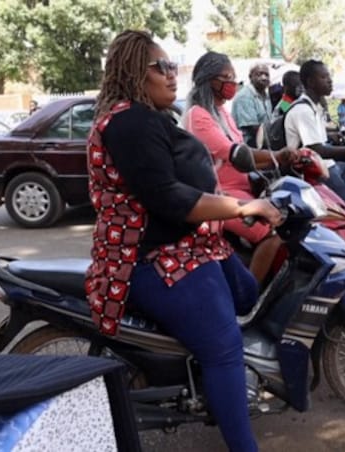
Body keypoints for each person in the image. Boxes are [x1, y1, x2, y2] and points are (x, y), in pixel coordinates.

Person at [86, 30, 281, 451]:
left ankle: (199, 372)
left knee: (247, 293)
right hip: (153, 256)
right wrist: (244, 208)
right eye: (162, 67)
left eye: (174, 66)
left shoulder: (149, 116)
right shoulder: (129, 123)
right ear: (136, 73)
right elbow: (169, 198)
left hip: (190, 245)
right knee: (225, 346)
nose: (172, 75)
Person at [183, 51, 297, 284]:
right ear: (210, 80)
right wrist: (276, 155)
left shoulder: (222, 112)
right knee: (272, 234)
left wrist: (277, 161)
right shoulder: (199, 115)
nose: (232, 83)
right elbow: (234, 153)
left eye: (234, 76)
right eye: (226, 77)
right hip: (220, 194)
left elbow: (243, 150)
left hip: (240, 188)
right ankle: (252, 297)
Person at [284, 59, 345, 227]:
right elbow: (318, 149)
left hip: (328, 166)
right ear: (311, 82)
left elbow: (319, 137)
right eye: (324, 77)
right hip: (315, 173)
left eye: (329, 76)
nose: (330, 80)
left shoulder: (315, 107)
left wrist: (334, 135)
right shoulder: (303, 110)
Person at [231, 63, 271, 147]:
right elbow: (253, 128)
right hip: (247, 144)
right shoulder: (245, 96)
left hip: (263, 139)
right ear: (250, 77)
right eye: (259, 74)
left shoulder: (266, 95)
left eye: (266, 75)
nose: (264, 78)